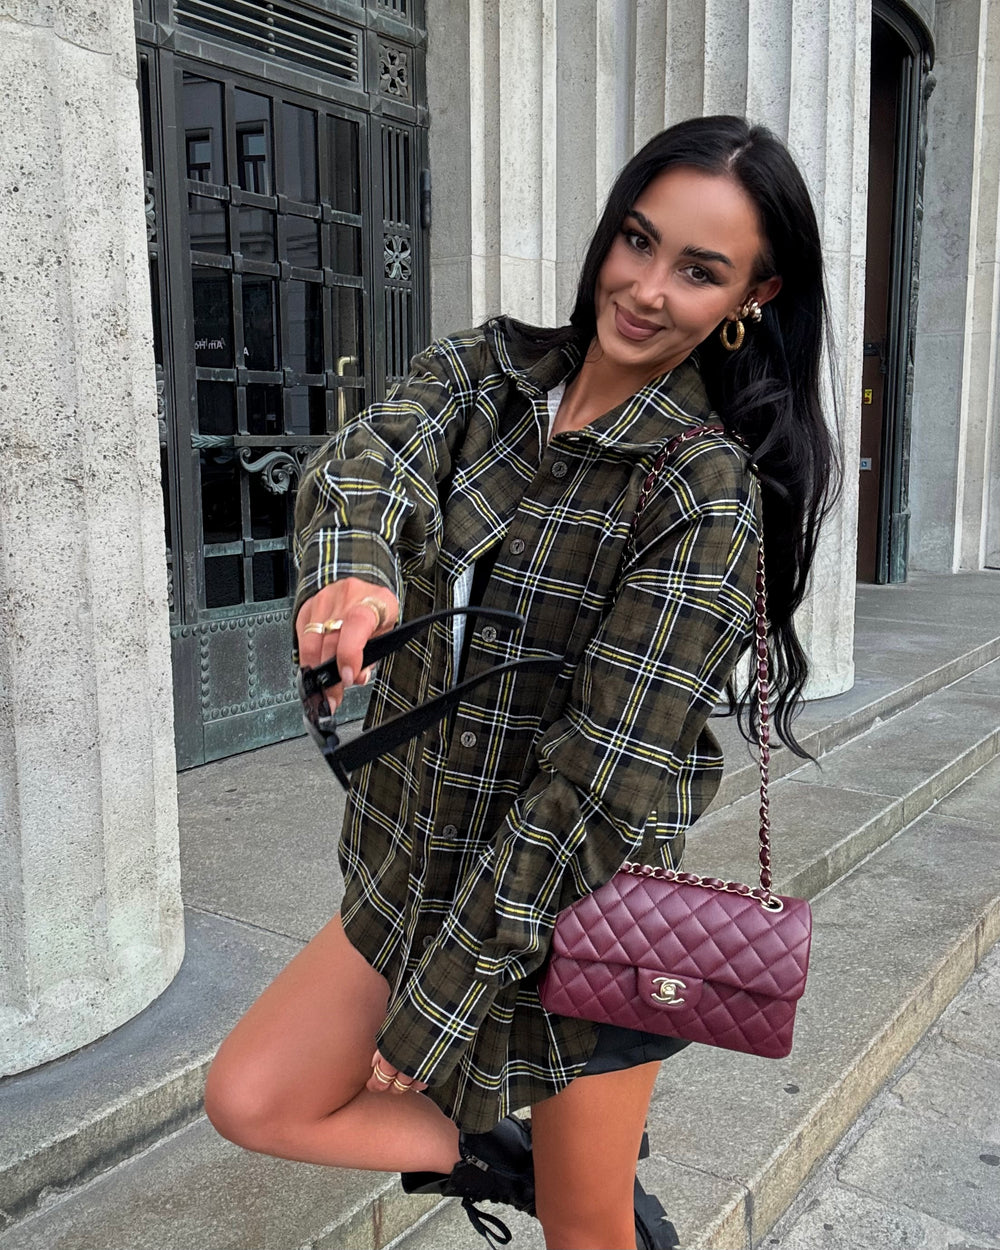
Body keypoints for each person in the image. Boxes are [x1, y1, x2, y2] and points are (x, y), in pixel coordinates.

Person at [204, 114, 837, 1250]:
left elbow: (595, 785)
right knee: (253, 1096)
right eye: (636, 240)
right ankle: (503, 1151)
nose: (645, 288)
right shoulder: (488, 373)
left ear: (754, 295)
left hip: (572, 914)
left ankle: (568, 1175)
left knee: (590, 1235)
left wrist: (437, 1013)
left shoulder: (701, 491)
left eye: (699, 271)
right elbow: (373, 455)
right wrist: (355, 572)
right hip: (415, 861)